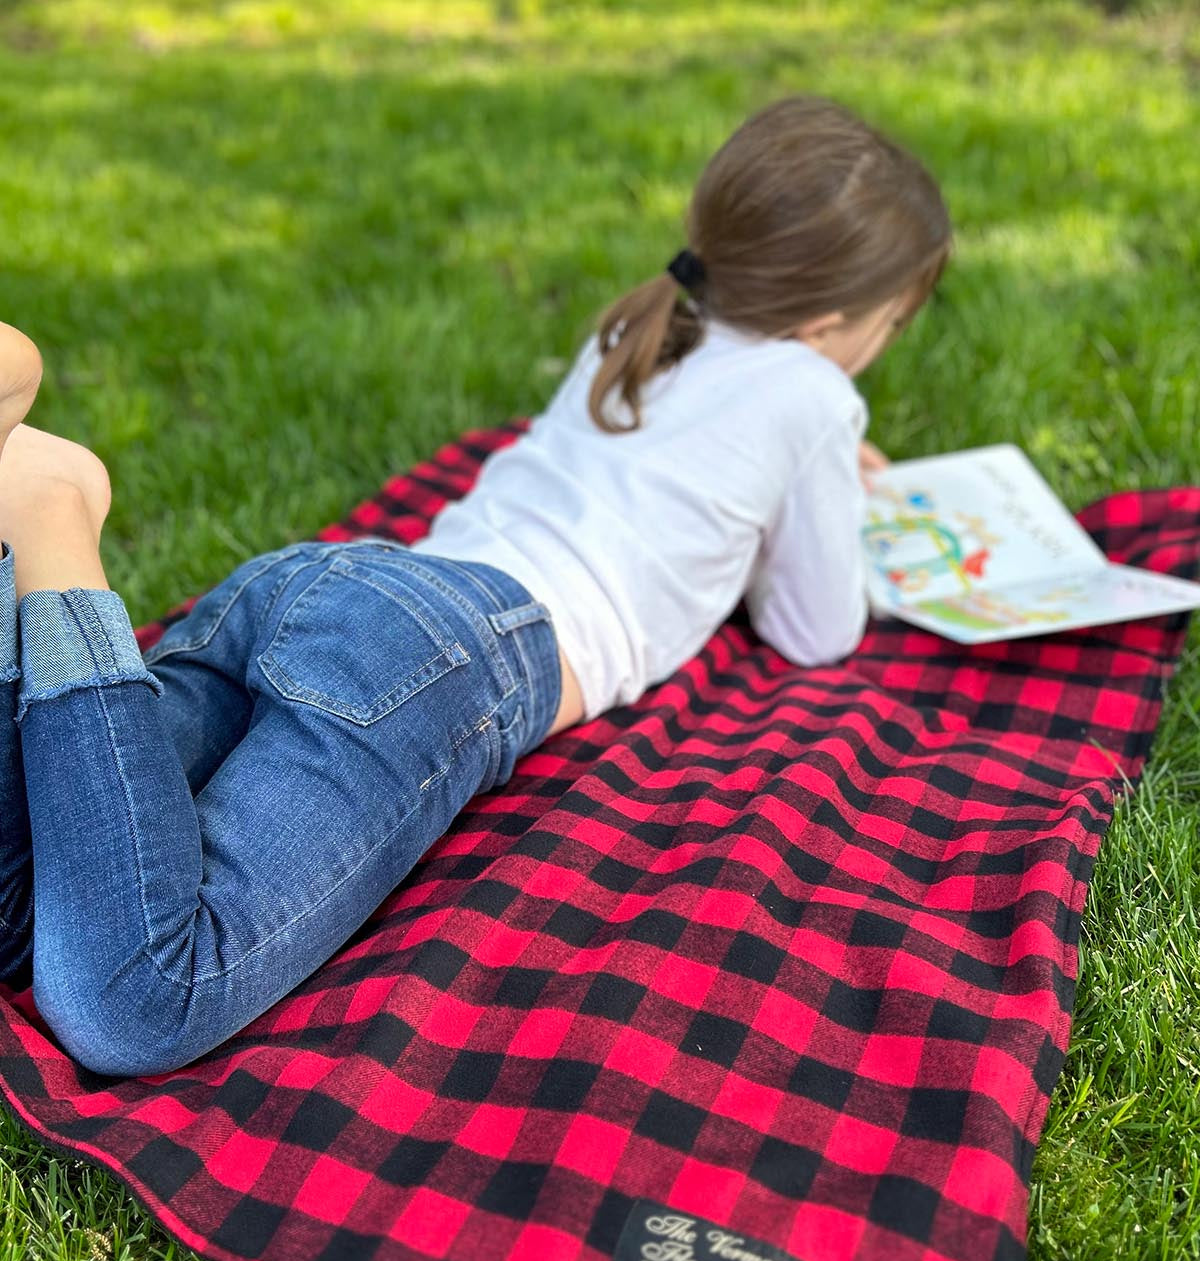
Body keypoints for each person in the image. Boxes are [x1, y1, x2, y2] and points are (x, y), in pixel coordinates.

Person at [0, 95, 951, 1076]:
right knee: (142, 1003)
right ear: (833, 322)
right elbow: (815, 626)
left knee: (29, 897)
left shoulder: (643, 328)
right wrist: (833, 485)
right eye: (885, 326)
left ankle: (18, 500)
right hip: (443, 652)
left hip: (321, 583)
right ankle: (48, 519)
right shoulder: (816, 396)